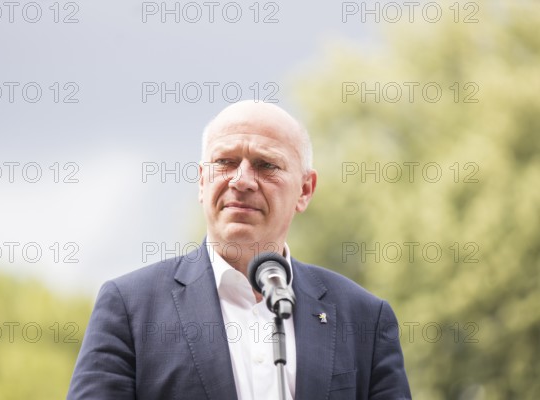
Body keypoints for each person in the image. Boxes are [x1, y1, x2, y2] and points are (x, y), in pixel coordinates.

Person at [67, 101, 411, 399]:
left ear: (305, 189)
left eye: (266, 165)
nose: (242, 180)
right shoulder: (130, 309)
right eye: (226, 162)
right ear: (202, 182)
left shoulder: (363, 317)